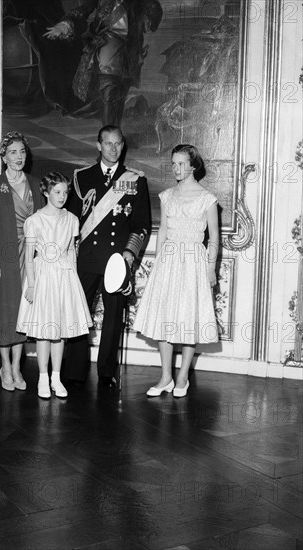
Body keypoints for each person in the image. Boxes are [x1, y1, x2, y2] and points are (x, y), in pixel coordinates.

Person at [64, 125, 151, 387]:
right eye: (108, 143)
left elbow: (141, 224)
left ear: (123, 146)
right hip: (87, 258)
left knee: (114, 319)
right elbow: (70, 220)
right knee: (78, 315)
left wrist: (127, 254)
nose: (114, 149)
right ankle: (74, 370)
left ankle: (106, 371)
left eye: (118, 144)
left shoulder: (135, 179)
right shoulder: (82, 177)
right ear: (99, 145)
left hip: (117, 261)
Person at [133, 144, 219, 398]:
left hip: (194, 263)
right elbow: (163, 233)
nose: (177, 169)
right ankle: (166, 377)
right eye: (173, 164)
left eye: (182, 164)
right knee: (165, 317)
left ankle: (183, 377)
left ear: (193, 166)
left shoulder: (207, 198)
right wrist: (157, 265)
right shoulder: (167, 195)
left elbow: (213, 238)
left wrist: (211, 268)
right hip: (168, 262)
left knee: (188, 318)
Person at [16, 172, 92, 399]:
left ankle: (56, 378)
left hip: (64, 276)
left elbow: (71, 252)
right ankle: (42, 378)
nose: (62, 197)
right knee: (44, 332)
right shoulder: (34, 221)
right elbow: (29, 257)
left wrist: (73, 281)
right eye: (57, 192)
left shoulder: (72, 220)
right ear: (46, 192)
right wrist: (30, 285)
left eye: (65, 192)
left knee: (60, 332)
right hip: (42, 277)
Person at [0, 132, 44, 392]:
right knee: (4, 313)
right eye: (13, 153)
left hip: (30, 257)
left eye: (22, 152)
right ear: (3, 157)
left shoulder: (36, 183)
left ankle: (17, 366)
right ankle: (5, 366)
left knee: (23, 313)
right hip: (4, 259)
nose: (18, 157)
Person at [44, 0, 163, 129]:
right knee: (109, 95)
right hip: (108, 48)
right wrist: (65, 25)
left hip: (131, 52)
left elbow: (153, 8)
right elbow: (83, 10)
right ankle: (108, 135)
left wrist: (149, 17)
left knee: (121, 96)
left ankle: (116, 134)